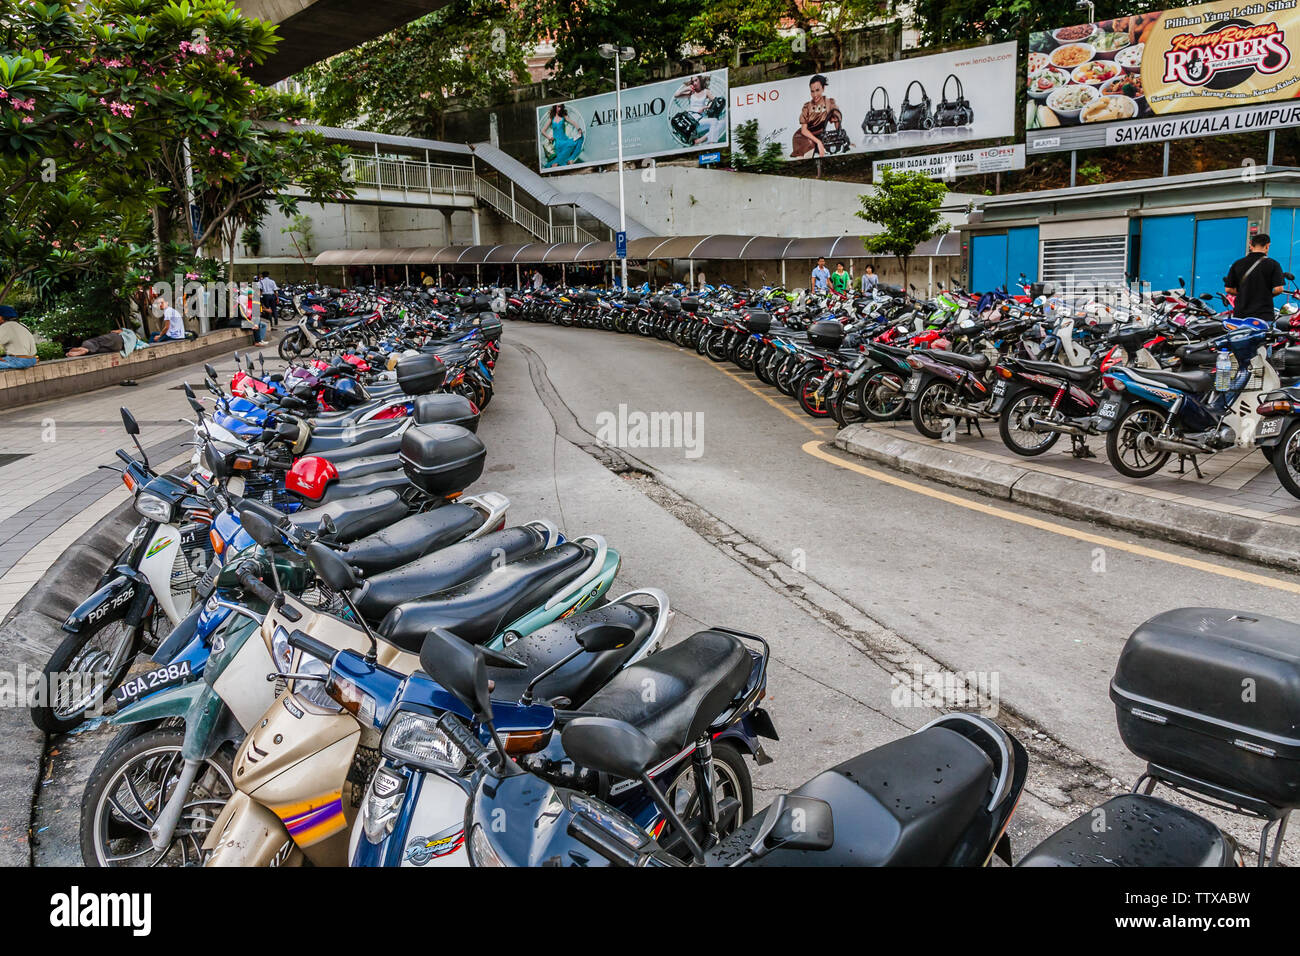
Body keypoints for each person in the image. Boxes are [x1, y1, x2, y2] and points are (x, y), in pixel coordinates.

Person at [1225, 234, 1286, 324]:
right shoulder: (1273, 264)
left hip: (1240, 315)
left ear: (1251, 245)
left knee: (1240, 337)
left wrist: (1245, 293)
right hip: (1263, 315)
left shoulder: (1237, 264)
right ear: (1267, 246)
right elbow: (1279, 289)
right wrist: (1266, 295)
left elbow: (1228, 289)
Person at [792, 74, 838, 159]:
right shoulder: (807, 107)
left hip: (818, 137)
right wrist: (818, 142)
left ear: (823, 89)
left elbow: (837, 121)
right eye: (812, 91)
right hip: (803, 137)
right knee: (808, 150)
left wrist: (841, 139)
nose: (815, 94)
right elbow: (804, 130)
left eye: (817, 90)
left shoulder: (830, 104)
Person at [542, 103, 585, 169]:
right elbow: (543, 131)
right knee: (569, 147)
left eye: (561, 107)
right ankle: (557, 162)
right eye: (558, 107)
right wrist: (549, 137)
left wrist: (579, 129)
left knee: (580, 137)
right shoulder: (552, 118)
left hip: (565, 140)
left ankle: (571, 158)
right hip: (557, 142)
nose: (560, 109)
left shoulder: (563, 116)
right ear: (555, 107)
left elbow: (573, 122)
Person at [0, 305, 38, 369]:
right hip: (32, 360)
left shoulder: (6, 326)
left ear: (1, 317)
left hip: (18, 360)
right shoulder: (23, 325)